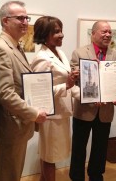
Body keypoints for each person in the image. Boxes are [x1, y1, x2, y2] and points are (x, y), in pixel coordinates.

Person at [0, 1, 47, 181]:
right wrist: (33, 113)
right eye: (20, 18)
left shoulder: (15, 45)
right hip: (10, 126)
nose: (25, 22)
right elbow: (5, 93)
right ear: (5, 21)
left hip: (18, 125)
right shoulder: (1, 48)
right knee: (8, 175)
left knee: (14, 174)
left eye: (26, 18)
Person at [69, 21, 116, 181]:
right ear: (93, 34)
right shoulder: (79, 53)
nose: (108, 35)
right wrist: (91, 97)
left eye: (110, 32)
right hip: (84, 110)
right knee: (79, 146)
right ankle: (77, 176)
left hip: (105, 110)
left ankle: (96, 174)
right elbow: (75, 81)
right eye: (104, 32)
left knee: (100, 146)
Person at [30, 16, 79, 181]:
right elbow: (37, 92)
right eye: (56, 32)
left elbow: (67, 83)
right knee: (50, 156)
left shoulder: (60, 53)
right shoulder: (42, 59)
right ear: (44, 35)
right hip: (50, 115)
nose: (62, 35)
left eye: (61, 30)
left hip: (62, 113)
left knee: (52, 154)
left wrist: (75, 84)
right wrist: (66, 85)